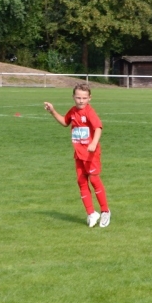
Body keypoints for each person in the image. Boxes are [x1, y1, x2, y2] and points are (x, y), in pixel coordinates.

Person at [44, 83, 110, 228]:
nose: (81, 101)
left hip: (91, 154)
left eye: (84, 98)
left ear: (89, 98)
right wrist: (53, 111)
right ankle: (91, 213)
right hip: (79, 154)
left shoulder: (89, 112)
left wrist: (94, 143)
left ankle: (105, 211)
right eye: (78, 97)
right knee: (81, 182)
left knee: (94, 180)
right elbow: (65, 122)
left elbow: (98, 127)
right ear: (73, 97)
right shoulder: (73, 111)